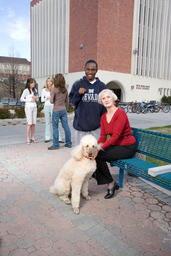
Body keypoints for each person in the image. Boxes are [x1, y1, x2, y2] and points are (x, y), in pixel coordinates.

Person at [95, 89, 137, 199]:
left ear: (113, 98)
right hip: (117, 145)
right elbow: (103, 137)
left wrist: (99, 150)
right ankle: (108, 180)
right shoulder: (103, 117)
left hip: (127, 146)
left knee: (99, 155)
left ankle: (110, 183)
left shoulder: (120, 113)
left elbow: (115, 136)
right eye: (103, 98)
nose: (106, 100)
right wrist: (96, 148)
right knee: (95, 155)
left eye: (108, 97)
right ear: (101, 101)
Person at [69, 60, 106, 145]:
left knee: (95, 153)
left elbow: (104, 107)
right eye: (88, 69)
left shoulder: (101, 86)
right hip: (80, 127)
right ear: (84, 69)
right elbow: (72, 102)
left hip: (96, 128)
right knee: (80, 153)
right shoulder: (78, 84)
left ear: (96, 70)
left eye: (93, 69)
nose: (90, 72)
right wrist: (78, 93)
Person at [48, 74, 72, 150]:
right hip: (63, 110)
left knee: (55, 127)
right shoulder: (65, 90)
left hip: (56, 110)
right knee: (66, 127)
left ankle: (56, 145)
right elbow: (67, 101)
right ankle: (68, 143)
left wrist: (53, 99)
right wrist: (66, 109)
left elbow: (51, 101)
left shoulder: (54, 89)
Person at [41, 78, 63, 143]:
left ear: (52, 83)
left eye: (50, 81)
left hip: (53, 107)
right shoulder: (44, 90)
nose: (49, 83)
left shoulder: (54, 89)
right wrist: (47, 98)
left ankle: (58, 138)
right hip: (46, 106)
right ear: (46, 82)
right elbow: (42, 100)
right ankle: (47, 137)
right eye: (48, 81)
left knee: (55, 122)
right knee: (47, 122)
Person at [20, 78, 38, 145]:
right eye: (32, 82)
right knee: (29, 123)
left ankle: (32, 137)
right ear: (28, 83)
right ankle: (27, 138)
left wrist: (35, 98)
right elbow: (21, 98)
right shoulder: (26, 90)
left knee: (33, 123)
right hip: (28, 107)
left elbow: (37, 98)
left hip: (34, 107)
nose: (33, 84)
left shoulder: (35, 90)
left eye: (34, 82)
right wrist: (29, 100)